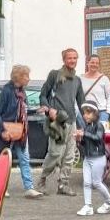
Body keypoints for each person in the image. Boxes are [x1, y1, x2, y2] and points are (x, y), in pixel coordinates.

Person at [39, 47, 83, 195]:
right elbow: (43, 95)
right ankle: (42, 180)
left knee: (70, 156)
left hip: (72, 121)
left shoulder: (77, 80)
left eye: (75, 58)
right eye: (69, 58)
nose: (72, 61)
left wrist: (89, 121)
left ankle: (63, 185)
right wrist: (49, 109)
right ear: (64, 59)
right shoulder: (54, 75)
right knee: (55, 153)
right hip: (57, 122)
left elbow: (82, 103)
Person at [0, 64, 42, 198]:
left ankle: (29, 188)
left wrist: (35, 110)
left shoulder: (22, 92)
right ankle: (2, 188)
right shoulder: (7, 91)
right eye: (26, 76)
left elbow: (22, 111)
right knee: (5, 162)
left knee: (25, 159)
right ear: (19, 77)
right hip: (9, 131)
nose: (28, 79)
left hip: (21, 131)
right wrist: (2, 130)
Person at [75, 101, 110, 216]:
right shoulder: (87, 126)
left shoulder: (99, 126)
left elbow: (98, 138)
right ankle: (87, 205)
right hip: (88, 157)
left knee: (97, 182)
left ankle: (109, 202)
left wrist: (84, 134)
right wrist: (79, 139)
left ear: (95, 114)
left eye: (88, 113)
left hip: (98, 157)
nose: (85, 116)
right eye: (84, 113)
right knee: (87, 183)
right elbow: (86, 142)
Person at [80, 53, 110, 126]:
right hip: (86, 112)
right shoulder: (81, 78)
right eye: (92, 62)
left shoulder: (104, 79)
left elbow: (109, 96)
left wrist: (108, 112)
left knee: (100, 134)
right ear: (87, 63)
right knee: (86, 134)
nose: (94, 65)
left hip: (101, 112)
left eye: (97, 63)